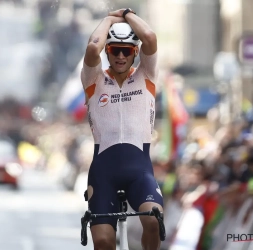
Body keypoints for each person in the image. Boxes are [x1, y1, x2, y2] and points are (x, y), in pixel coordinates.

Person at [81, 8, 164, 250]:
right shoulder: (93, 80)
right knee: (105, 242)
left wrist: (126, 13)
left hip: (140, 173)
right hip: (103, 174)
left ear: (135, 53)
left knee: (153, 221)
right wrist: (108, 18)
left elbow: (149, 37)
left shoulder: (146, 75)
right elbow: (91, 49)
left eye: (126, 51)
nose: (119, 56)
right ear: (107, 51)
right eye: (114, 50)